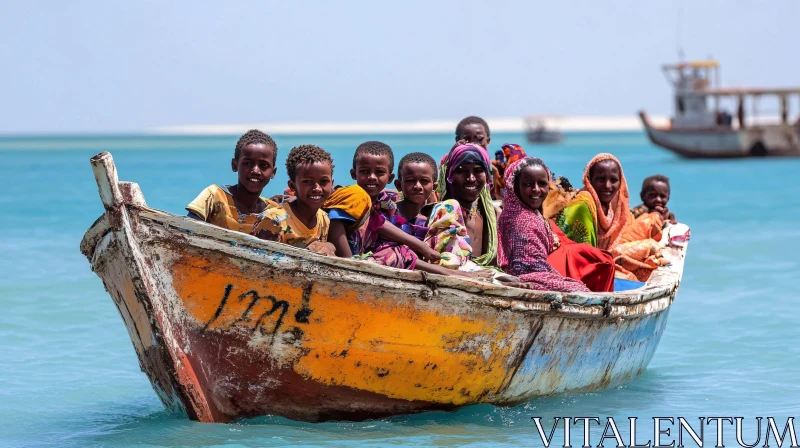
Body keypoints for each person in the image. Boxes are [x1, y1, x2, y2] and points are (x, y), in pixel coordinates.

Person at [550, 153, 666, 281]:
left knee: (651, 223)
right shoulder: (582, 205)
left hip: (605, 255)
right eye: (600, 179)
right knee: (632, 273)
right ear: (590, 180)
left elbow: (627, 225)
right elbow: (585, 257)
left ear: (621, 182)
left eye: (613, 180)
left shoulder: (614, 205)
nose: (607, 186)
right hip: (577, 267)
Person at [498, 157, 590, 292]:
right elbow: (531, 271)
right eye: (528, 184)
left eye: (542, 184)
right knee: (581, 290)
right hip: (525, 282)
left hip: (532, 275)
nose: (536, 189)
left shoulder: (521, 210)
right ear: (515, 186)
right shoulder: (524, 221)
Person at [350, 141, 441, 269]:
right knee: (395, 251)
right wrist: (420, 246)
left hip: (393, 263)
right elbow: (378, 223)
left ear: (390, 178)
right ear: (354, 174)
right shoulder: (352, 198)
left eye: (379, 172)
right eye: (365, 171)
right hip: (361, 260)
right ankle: (449, 273)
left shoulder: (387, 203)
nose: (372, 177)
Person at [186, 129, 279, 234]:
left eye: (264, 165)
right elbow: (187, 231)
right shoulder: (215, 196)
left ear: (273, 172)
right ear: (235, 165)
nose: (255, 171)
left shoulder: (274, 212)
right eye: (248, 163)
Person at [428, 143, 500, 268]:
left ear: (488, 176)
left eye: (478, 170)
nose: (471, 178)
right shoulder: (442, 214)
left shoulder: (494, 216)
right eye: (461, 171)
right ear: (449, 175)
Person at [256, 144, 335, 255]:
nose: (317, 188)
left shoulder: (324, 219)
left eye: (324, 181)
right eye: (307, 181)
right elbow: (260, 264)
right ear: (293, 186)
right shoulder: (275, 220)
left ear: (332, 185)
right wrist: (306, 251)